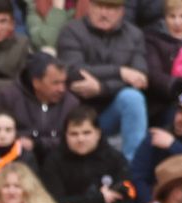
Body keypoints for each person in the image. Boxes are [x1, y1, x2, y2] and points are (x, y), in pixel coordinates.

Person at [58, 0, 150, 163]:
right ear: (89, 7)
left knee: (133, 98)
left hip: (113, 111)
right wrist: (120, 71)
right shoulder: (71, 30)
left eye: (111, 8)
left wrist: (102, 88)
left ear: (122, 11)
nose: (104, 13)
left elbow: (140, 78)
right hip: (80, 111)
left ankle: (132, 168)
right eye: (99, 7)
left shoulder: (134, 35)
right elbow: (74, 72)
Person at [41, 106, 138, 203]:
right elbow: (56, 200)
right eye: (74, 134)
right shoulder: (54, 161)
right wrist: (98, 199)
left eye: (86, 133)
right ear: (65, 135)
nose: (80, 139)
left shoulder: (114, 159)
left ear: (98, 133)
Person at [0, 54, 80, 164]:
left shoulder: (71, 103)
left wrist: (37, 144)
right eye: (55, 83)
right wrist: (15, 141)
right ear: (36, 82)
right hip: (15, 161)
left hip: (59, 162)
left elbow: (75, 138)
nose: (62, 89)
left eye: (63, 82)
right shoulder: (8, 97)